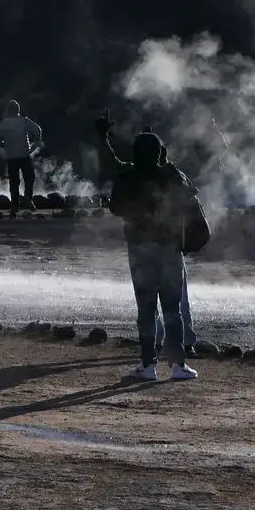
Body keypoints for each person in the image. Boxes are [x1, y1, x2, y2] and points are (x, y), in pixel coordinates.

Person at [106, 127, 204, 382]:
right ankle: (178, 365)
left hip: (140, 249)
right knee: (173, 308)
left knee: (146, 309)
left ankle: (148, 365)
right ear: (161, 153)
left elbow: (115, 207)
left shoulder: (127, 177)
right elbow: (191, 199)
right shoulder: (172, 175)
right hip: (170, 248)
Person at [0, 100, 43, 216]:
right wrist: (36, 143)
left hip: (11, 156)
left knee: (14, 182)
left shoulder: (4, 123)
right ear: (18, 110)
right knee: (29, 177)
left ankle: (14, 207)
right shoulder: (23, 121)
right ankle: (27, 198)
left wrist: (4, 144)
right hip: (24, 154)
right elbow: (37, 129)